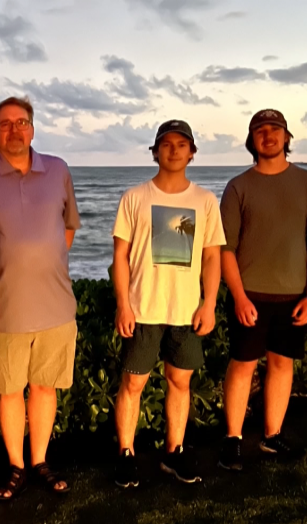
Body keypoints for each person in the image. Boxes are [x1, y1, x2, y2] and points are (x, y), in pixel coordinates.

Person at [0, 97, 80, 500]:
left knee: (45, 388)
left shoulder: (58, 169)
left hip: (56, 304)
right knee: (10, 391)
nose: (14, 130)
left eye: (21, 122)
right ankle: (16, 466)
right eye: (4, 124)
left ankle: (40, 461)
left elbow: (68, 227)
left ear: (33, 127)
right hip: (4, 309)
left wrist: (44, 260)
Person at [111, 120, 225, 488]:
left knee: (180, 381)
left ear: (192, 152)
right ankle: (125, 454)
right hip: (143, 308)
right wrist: (123, 305)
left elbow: (211, 257)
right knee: (133, 384)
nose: (174, 150)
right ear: (155, 151)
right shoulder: (134, 197)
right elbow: (121, 256)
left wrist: (209, 304)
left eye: (182, 144)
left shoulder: (205, 201)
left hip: (185, 311)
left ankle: (173, 452)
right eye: (166, 144)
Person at [218, 109, 307, 470]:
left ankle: (272, 436)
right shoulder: (238, 186)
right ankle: (233, 441)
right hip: (249, 295)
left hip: (294, 296)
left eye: (275, 130)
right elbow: (225, 248)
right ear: (251, 141)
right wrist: (238, 296)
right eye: (260, 131)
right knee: (242, 366)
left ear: (286, 138)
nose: (268, 136)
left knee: (282, 365)